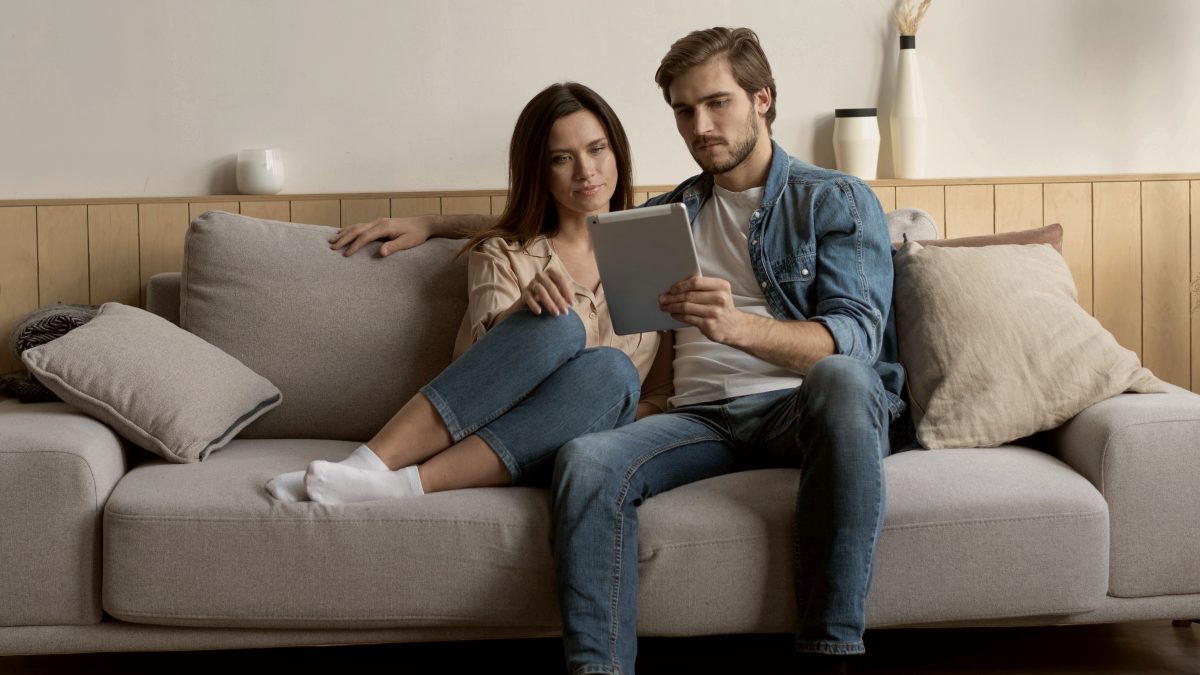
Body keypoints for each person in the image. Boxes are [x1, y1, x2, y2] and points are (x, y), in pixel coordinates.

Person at [381, 27, 906, 675]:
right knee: (587, 455)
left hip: (799, 410)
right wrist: (435, 222)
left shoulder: (834, 199)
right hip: (698, 419)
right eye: (684, 111)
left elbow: (855, 338)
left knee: (847, 381)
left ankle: (831, 653)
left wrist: (737, 328)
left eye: (718, 104)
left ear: (763, 99)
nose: (700, 125)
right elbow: (559, 220)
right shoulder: (668, 215)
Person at [264, 82, 673, 505]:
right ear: (539, 171)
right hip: (491, 439)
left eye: (597, 149)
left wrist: (601, 418)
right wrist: (524, 306)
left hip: (586, 445)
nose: (585, 170)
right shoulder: (501, 252)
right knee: (557, 322)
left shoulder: (653, 253)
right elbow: (484, 359)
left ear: (617, 153)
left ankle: (396, 484)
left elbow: (660, 393)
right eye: (561, 158)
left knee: (614, 373)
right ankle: (366, 469)